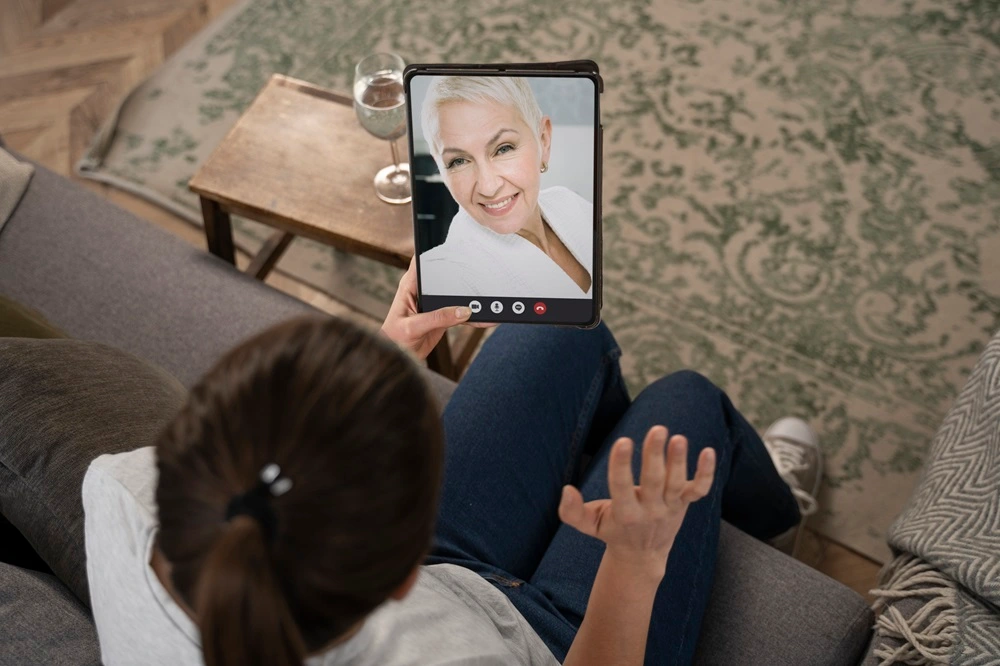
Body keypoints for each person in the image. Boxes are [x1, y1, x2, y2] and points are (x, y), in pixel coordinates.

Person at [83, 260, 815, 666]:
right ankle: (779, 519)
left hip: (438, 577)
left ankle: (594, 449)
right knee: (687, 403)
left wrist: (380, 362)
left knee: (557, 324)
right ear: (398, 576)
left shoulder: (119, 487)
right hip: (559, 644)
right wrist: (635, 560)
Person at [417, 76, 593, 299]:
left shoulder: (568, 202)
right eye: (458, 161)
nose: (488, 187)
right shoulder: (450, 271)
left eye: (503, 149)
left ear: (544, 140)